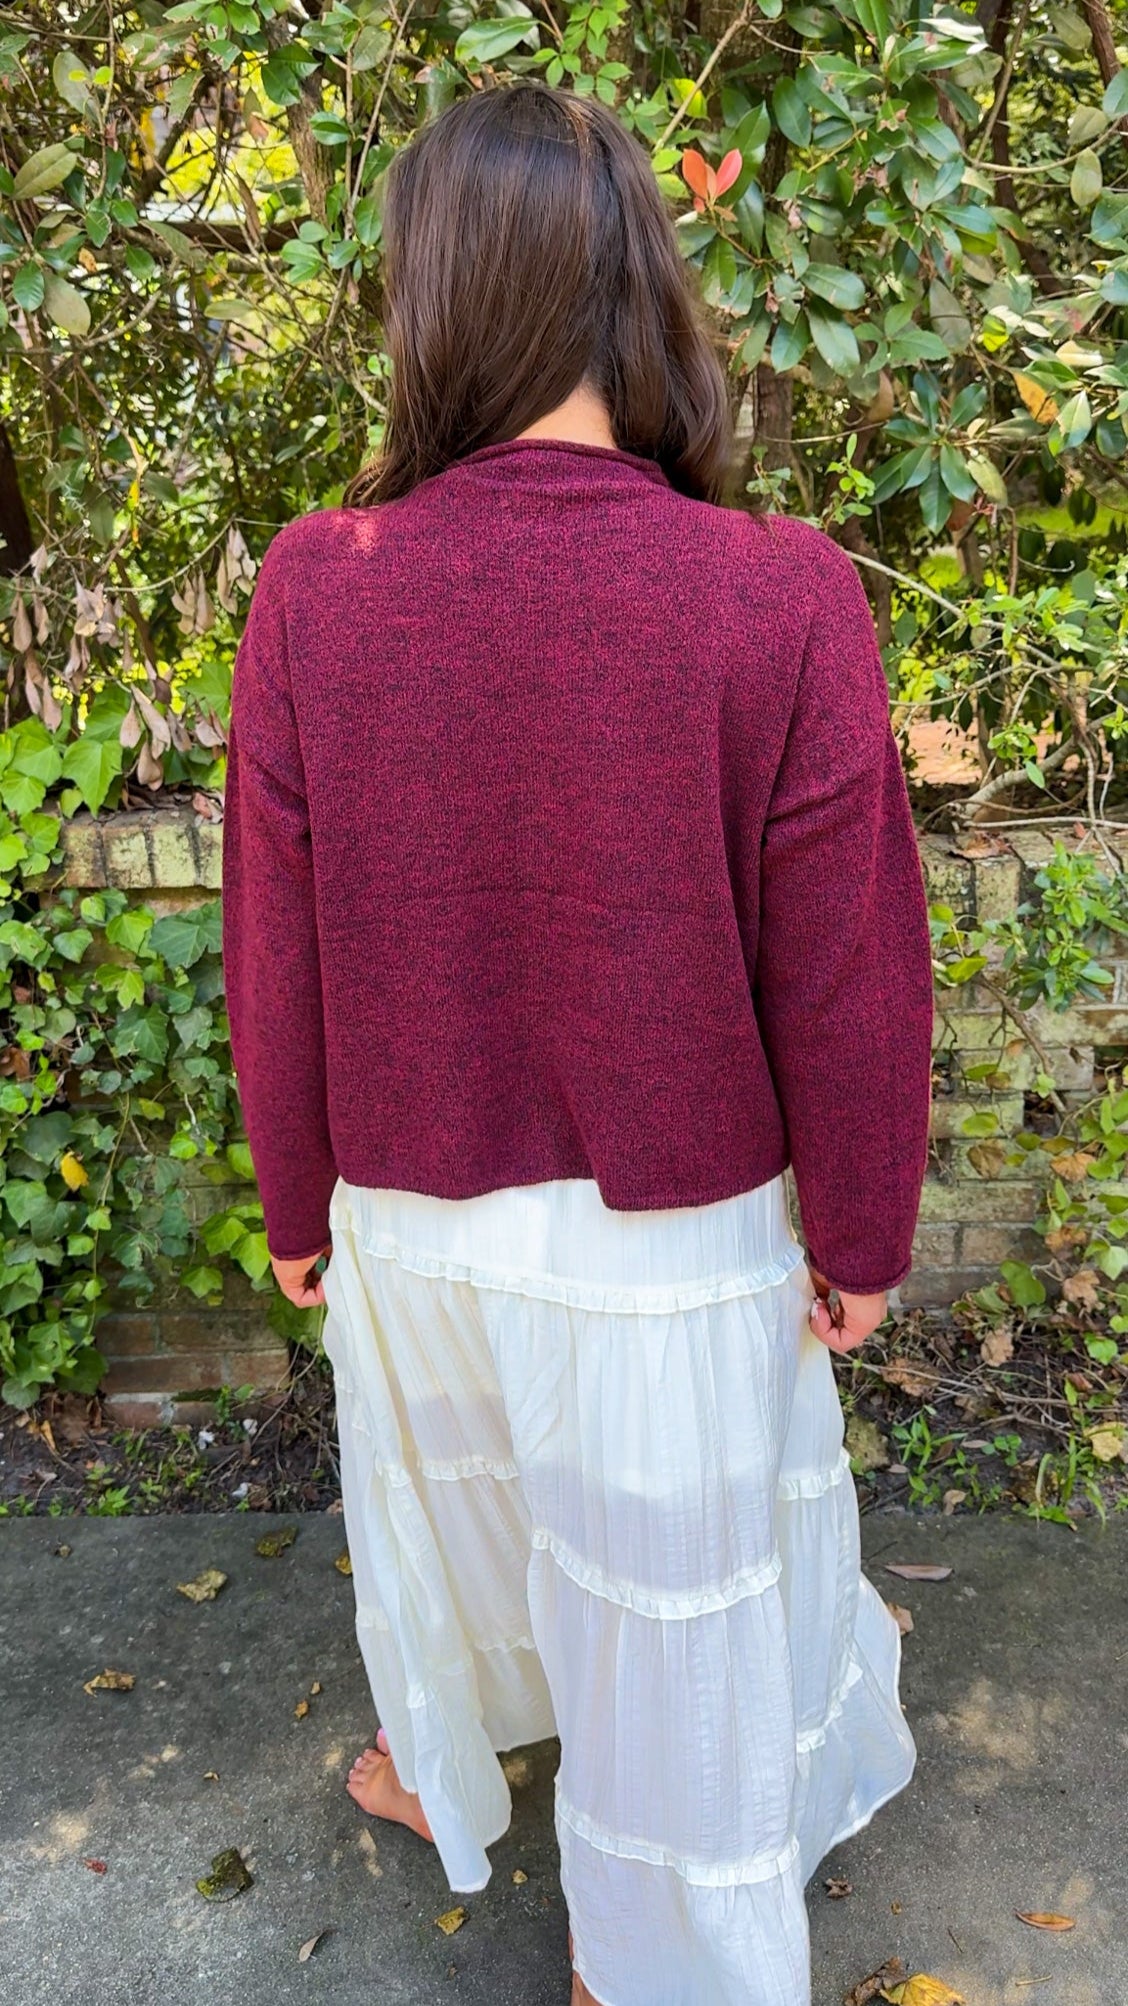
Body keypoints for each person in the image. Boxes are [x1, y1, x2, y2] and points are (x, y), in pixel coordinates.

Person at [221, 79, 933, 2006]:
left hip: (413, 1213)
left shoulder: (318, 585)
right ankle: (653, 1956)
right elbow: (849, 970)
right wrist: (863, 1230)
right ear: (643, 291)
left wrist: (297, 1198)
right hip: (668, 1242)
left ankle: (449, 1755)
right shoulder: (775, 591)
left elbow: (270, 942)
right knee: (675, 1586)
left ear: (432, 298)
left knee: (459, 1509)